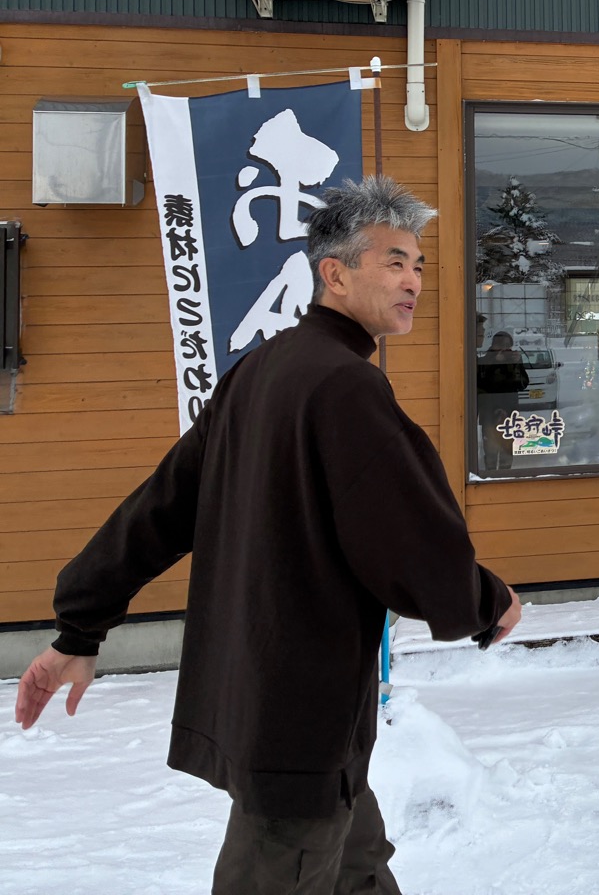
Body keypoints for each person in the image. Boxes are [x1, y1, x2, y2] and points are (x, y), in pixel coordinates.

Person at [12, 176, 522, 894]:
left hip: (276, 706)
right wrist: (485, 600)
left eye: (418, 264)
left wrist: (81, 624)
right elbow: (406, 539)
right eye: (393, 262)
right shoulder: (344, 386)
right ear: (335, 273)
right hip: (299, 725)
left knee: (357, 868)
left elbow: (161, 505)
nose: (412, 280)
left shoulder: (263, 369)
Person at [476, 330, 528, 472]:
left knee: (507, 452)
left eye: (507, 345)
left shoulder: (513, 360)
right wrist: (493, 363)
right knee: (491, 452)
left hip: (510, 414)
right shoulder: (483, 361)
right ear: (493, 345)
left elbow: (522, 384)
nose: (504, 348)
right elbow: (481, 385)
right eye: (500, 344)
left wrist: (517, 366)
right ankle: (490, 479)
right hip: (489, 414)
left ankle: (505, 477)